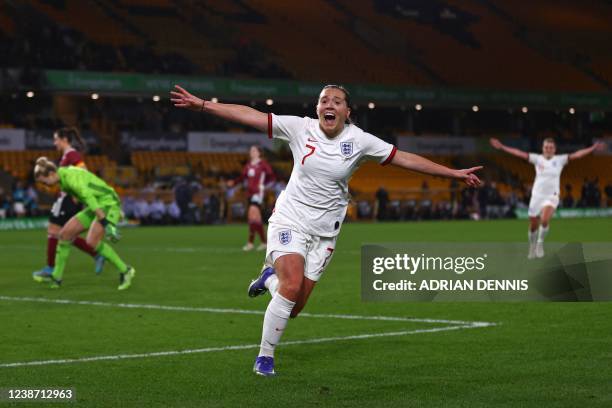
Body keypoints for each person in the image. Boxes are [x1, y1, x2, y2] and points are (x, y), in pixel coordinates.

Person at [171, 84, 482, 376]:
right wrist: (203, 106)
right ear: (317, 108)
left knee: (292, 307)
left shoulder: (359, 140)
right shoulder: (299, 128)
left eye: (337, 101)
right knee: (291, 287)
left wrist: (452, 174)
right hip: (290, 219)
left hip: (325, 233)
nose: (329, 104)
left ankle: (268, 279)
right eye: (324, 100)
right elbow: (250, 116)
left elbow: (403, 158)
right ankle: (265, 355)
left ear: (347, 112)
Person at [490, 137, 605, 258]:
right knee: (533, 224)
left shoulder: (560, 160)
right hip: (537, 196)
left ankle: (540, 244)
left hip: (552, 195)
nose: (548, 149)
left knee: (544, 220)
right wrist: (502, 147)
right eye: (546, 147)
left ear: (555, 149)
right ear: (542, 148)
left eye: (551, 147)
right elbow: (519, 153)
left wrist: (593, 148)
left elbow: (577, 155)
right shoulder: (537, 159)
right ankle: (532, 246)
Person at [32, 157, 135, 290]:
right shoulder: (63, 177)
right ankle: (56, 277)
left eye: (44, 182)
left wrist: (105, 222)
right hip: (97, 203)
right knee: (64, 234)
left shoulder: (69, 178)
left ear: (51, 174)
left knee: (91, 241)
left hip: (107, 202)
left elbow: (89, 197)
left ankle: (125, 271)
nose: (46, 186)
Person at [32, 127, 105, 279]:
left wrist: (76, 196)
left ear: (64, 140)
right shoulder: (66, 156)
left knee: (54, 231)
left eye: (56, 139)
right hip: (65, 198)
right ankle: (96, 254)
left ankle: (51, 268)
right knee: (63, 233)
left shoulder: (72, 155)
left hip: (67, 199)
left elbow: (83, 172)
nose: (54, 143)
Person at [228, 145, 275, 251]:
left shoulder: (263, 165)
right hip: (249, 194)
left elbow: (272, 177)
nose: (252, 152)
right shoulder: (248, 165)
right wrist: (234, 182)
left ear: (259, 153)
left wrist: (264, 187)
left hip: (258, 194)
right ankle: (263, 242)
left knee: (251, 214)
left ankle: (250, 243)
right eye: (251, 151)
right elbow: (242, 177)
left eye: (254, 150)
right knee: (254, 219)